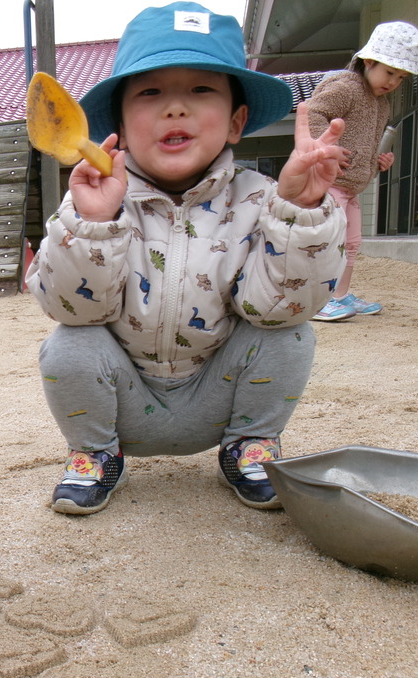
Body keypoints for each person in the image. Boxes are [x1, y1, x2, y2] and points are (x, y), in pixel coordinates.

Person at [25, 2, 348, 515]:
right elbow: (73, 308)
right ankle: (94, 454)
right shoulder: (94, 200)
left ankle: (251, 446)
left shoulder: (263, 198)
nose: (175, 108)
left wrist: (299, 212)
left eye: (201, 90)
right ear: (122, 127)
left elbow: (278, 309)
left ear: (237, 121)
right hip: (123, 398)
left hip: (217, 397)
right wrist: (93, 225)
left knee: (291, 334)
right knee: (69, 344)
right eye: (151, 92)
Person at [308, 21, 418, 321]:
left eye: (401, 77)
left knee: (352, 243)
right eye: (389, 72)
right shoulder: (346, 88)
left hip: (352, 186)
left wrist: (378, 161)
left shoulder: (381, 104)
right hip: (328, 181)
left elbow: (368, 144)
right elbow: (313, 113)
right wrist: (326, 151)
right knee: (328, 243)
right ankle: (319, 301)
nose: (393, 82)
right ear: (369, 61)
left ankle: (341, 295)